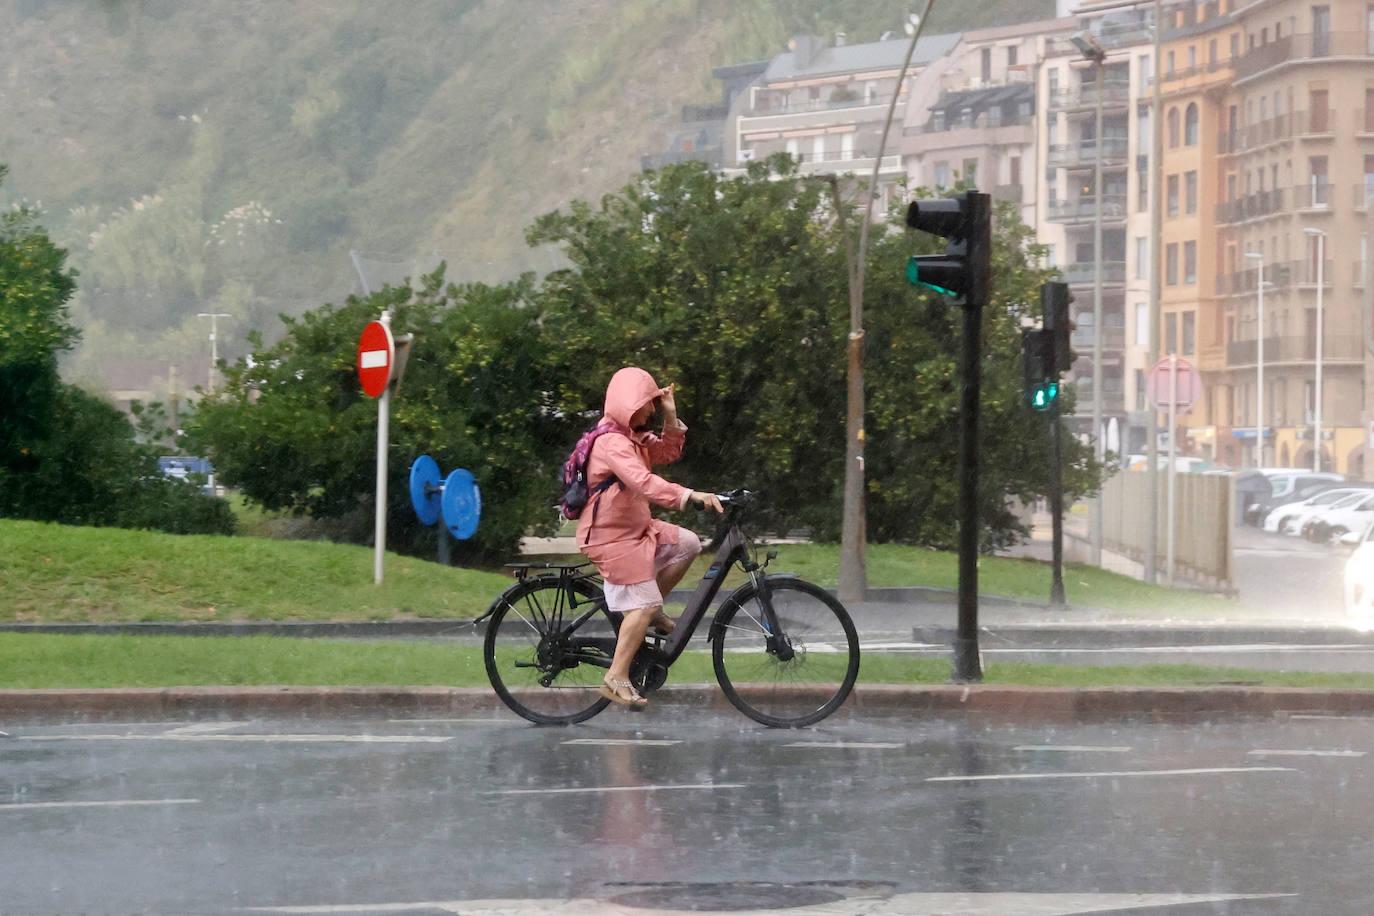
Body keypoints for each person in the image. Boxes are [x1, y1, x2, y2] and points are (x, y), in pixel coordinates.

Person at [578, 367, 723, 710]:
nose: (650, 411)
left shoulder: (633, 438)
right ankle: (616, 676)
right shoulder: (613, 442)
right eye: (646, 405)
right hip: (611, 537)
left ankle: (649, 610)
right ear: (628, 405)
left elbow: (668, 453)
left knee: (687, 543)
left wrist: (671, 413)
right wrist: (690, 495)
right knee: (641, 604)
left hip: (636, 530)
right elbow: (644, 482)